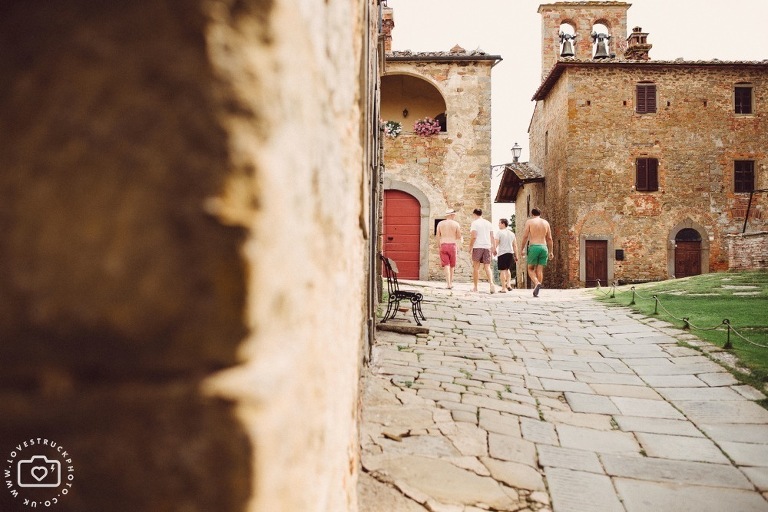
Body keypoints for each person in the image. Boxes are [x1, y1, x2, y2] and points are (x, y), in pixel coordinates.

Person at [520, 208, 553, 297]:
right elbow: (549, 238)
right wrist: (551, 251)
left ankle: (536, 283)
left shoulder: (530, 222)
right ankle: (537, 287)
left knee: (530, 268)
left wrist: (522, 248)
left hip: (534, 247)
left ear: (532, 214)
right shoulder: (546, 223)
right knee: (540, 269)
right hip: (544, 247)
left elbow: (525, 236)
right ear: (540, 213)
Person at [468, 208, 496, 293]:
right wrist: (493, 247)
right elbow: (492, 236)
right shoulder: (488, 223)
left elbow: (474, 236)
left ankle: (475, 287)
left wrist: (470, 246)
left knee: (476, 267)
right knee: (487, 267)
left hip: (478, 246)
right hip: (487, 246)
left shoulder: (475, 223)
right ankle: (491, 283)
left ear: (474, 214)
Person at [435, 208, 463, 289]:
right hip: (452, 245)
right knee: (452, 265)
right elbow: (458, 236)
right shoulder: (456, 224)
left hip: (443, 245)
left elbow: (438, 236)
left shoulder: (440, 224)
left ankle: (448, 283)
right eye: (453, 214)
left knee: (446, 265)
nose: (454, 216)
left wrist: (438, 246)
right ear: (451, 215)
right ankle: (451, 283)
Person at [494, 218, 518, 293]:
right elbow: (515, 246)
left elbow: (496, 243)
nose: (498, 225)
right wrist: (516, 255)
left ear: (503, 224)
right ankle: (509, 285)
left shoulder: (499, 233)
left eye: (499, 223)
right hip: (510, 253)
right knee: (508, 269)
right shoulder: (512, 233)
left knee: (502, 270)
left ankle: (503, 288)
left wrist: (494, 250)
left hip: (502, 253)